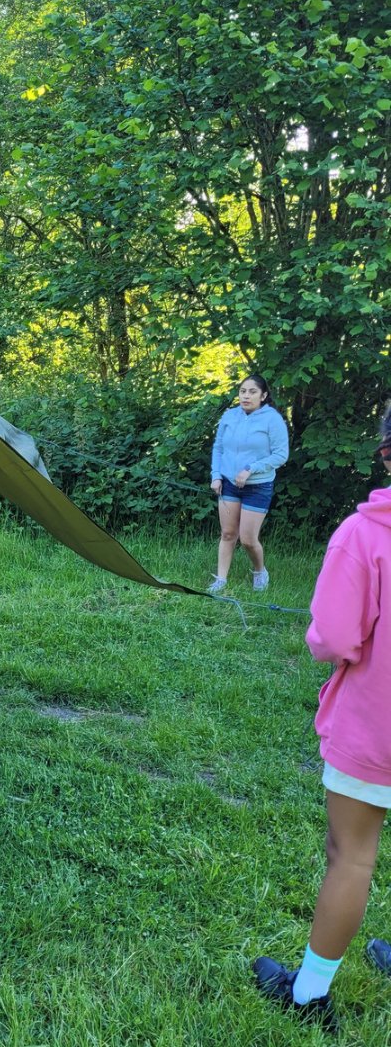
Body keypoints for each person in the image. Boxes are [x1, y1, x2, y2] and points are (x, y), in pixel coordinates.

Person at [252, 403, 391, 1030]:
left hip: (375, 728)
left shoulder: (363, 536)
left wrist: (323, 636)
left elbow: (332, 639)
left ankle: (307, 995)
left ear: (386, 452)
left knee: (352, 856)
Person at [208, 374, 289, 593]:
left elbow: (281, 455)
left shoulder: (273, 419)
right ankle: (220, 580)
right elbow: (218, 448)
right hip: (228, 484)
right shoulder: (230, 416)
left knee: (247, 539)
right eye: (243, 391)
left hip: (258, 486)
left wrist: (250, 469)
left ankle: (259, 571)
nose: (246, 395)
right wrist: (216, 475)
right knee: (227, 534)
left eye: (252, 391)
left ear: (263, 396)